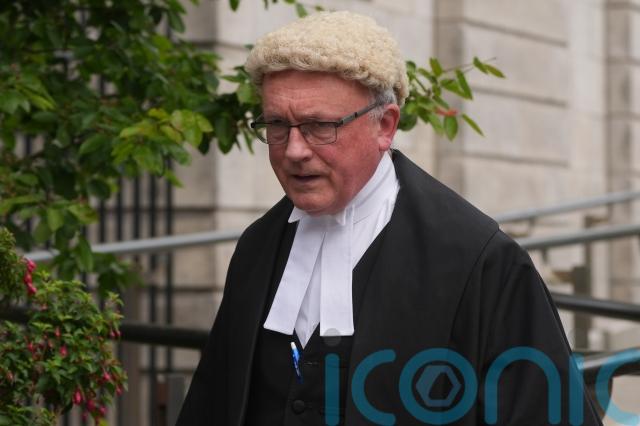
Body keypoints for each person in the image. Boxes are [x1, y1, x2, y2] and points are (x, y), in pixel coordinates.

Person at [177, 11, 602, 425]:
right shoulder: (258, 246)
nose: (294, 150)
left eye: (319, 126)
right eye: (276, 125)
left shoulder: (478, 260)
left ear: (385, 125)